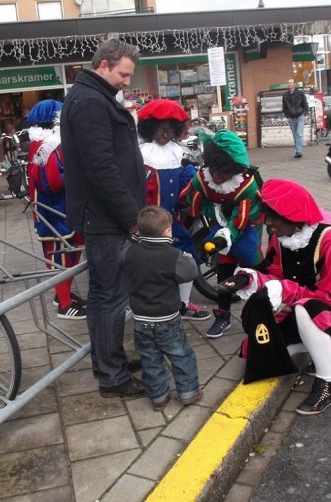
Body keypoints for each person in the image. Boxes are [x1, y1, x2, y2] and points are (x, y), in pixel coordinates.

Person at [217, 179, 331, 416]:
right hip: (301, 311)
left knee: (305, 308)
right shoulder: (282, 239)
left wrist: (287, 292)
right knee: (258, 354)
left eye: (273, 218)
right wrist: (246, 279)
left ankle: (326, 386)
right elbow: (271, 273)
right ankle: (311, 350)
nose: (268, 224)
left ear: (292, 217)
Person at [60, 39, 146, 399]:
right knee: (110, 297)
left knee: (103, 296)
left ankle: (108, 362)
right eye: (124, 74)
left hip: (103, 216)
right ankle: (113, 376)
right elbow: (101, 168)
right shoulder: (91, 102)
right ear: (105, 65)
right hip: (107, 218)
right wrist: (132, 217)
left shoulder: (92, 97)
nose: (127, 82)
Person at [180, 129, 262, 338]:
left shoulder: (247, 186)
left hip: (247, 226)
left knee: (251, 271)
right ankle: (223, 316)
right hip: (222, 223)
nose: (216, 177)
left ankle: (260, 316)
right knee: (224, 271)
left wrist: (221, 237)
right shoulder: (203, 179)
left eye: (222, 172)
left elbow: (240, 221)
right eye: (213, 170)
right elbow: (194, 202)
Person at [121, 205, 202, 411]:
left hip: (141, 319)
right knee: (181, 355)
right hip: (167, 318)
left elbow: (121, 256)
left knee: (150, 359)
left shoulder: (130, 251)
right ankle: (188, 392)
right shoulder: (173, 255)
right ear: (167, 231)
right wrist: (186, 256)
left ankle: (158, 397)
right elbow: (190, 272)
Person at [137, 98, 210, 322]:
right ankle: (152, 307)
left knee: (187, 254)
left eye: (170, 129)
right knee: (150, 264)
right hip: (147, 223)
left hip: (172, 221)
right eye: (160, 128)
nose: (164, 134)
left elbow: (188, 183)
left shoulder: (177, 153)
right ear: (150, 128)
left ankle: (182, 304)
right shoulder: (141, 154)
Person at [26, 99, 87, 320]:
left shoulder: (48, 143)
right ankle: (64, 303)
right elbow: (50, 182)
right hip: (54, 212)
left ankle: (63, 294)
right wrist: (79, 172)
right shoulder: (48, 147)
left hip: (61, 209)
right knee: (60, 255)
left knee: (72, 249)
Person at [282, 79, 308, 158]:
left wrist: (304, 113)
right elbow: (284, 107)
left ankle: (299, 151)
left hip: (300, 115)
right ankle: (297, 151)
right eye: (288, 83)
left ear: (294, 84)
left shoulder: (300, 93)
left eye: (291, 83)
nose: (289, 84)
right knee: (295, 135)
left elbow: (304, 103)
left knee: (299, 134)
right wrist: (287, 115)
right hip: (291, 117)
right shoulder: (285, 95)